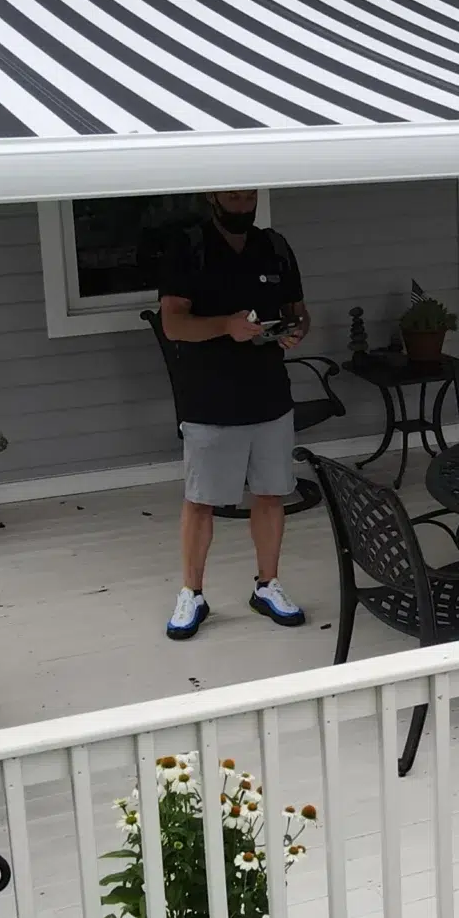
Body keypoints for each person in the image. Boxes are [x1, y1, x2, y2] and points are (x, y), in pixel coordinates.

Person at [157, 192, 310, 640]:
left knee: (270, 494)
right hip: (209, 398)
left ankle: (267, 585)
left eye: (250, 193)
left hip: (268, 395)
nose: (243, 201)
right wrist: (226, 325)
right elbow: (173, 324)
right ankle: (192, 593)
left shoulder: (275, 247)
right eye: (233, 193)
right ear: (213, 195)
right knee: (201, 499)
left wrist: (295, 331)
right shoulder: (188, 246)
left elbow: (298, 313)